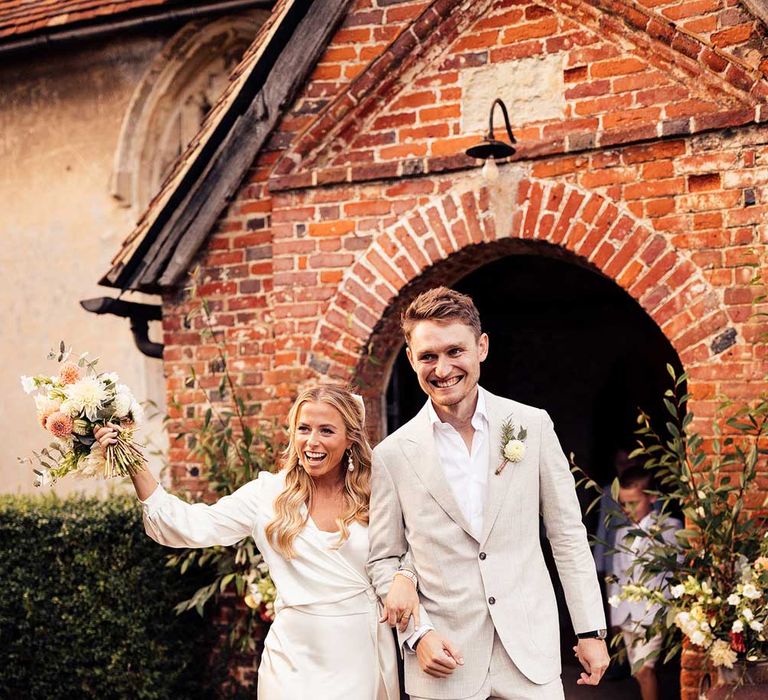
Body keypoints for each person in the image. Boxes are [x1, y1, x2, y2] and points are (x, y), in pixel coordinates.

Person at [96, 385, 417, 700]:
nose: (312, 441)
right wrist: (134, 462)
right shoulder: (268, 494)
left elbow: (412, 552)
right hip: (292, 659)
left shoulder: (375, 494)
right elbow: (189, 526)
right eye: (303, 429)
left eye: (326, 431)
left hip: (358, 653)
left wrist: (404, 578)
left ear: (350, 439)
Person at [367, 287, 609, 700]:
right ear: (411, 359)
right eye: (428, 356)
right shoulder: (391, 455)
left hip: (530, 655)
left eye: (454, 351)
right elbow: (384, 558)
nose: (442, 369)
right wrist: (417, 634)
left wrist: (590, 630)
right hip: (443, 661)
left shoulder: (532, 427)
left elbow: (567, 535)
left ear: (481, 347)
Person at [608, 466, 681, 700]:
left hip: (653, 615)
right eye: (623, 504)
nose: (627, 510)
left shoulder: (669, 528)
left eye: (633, 503)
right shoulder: (622, 532)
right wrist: (615, 617)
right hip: (627, 615)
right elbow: (617, 575)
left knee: (644, 669)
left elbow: (676, 572)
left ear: (652, 497)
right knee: (637, 672)